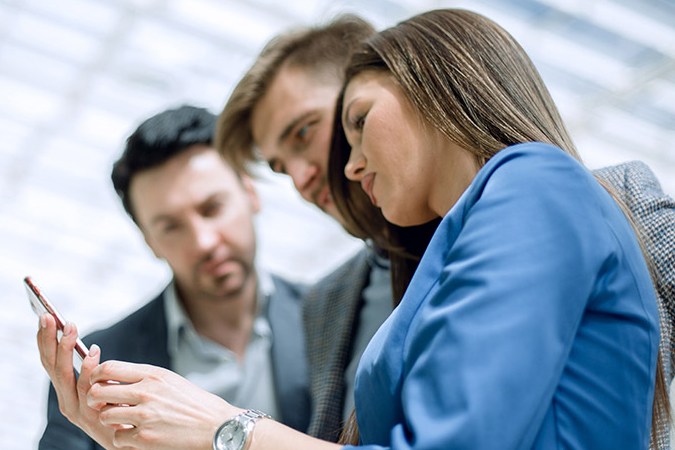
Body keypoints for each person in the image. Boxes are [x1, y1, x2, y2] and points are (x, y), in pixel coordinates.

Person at [37, 8, 669, 450]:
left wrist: (224, 430)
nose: (337, 165)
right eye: (281, 166)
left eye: (328, 127)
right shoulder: (342, 300)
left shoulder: (538, 189)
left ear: (418, 81)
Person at [215, 15, 438, 441]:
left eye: (303, 132)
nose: (300, 179)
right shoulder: (325, 304)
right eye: (281, 168)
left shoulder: (497, 226)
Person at [37, 105, 310, 450]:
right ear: (149, 241)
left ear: (250, 192)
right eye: (171, 228)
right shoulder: (98, 364)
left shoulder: (335, 316)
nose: (204, 242)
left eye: (212, 208)